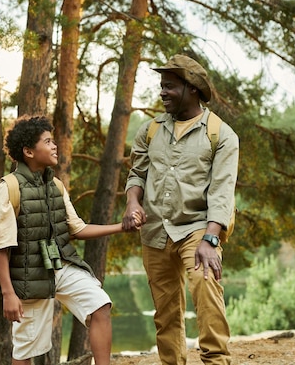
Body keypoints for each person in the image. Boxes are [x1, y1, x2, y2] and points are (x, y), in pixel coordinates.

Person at [0, 115, 138, 365]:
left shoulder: (56, 185)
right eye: (47, 141)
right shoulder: (9, 188)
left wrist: (121, 228)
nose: (54, 146)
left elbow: (77, 228)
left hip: (60, 265)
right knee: (26, 349)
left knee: (100, 305)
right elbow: (1, 247)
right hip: (28, 276)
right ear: (28, 151)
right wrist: (8, 293)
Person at [122, 54, 239, 365]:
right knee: (166, 311)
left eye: (170, 86)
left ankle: (216, 360)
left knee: (205, 286)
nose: (163, 92)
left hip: (198, 228)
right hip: (155, 232)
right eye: (162, 86)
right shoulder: (149, 130)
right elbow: (137, 174)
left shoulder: (221, 135)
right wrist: (133, 202)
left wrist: (211, 240)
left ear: (193, 89)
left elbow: (222, 192)